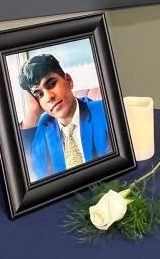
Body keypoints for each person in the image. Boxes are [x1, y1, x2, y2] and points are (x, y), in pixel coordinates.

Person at [18, 54, 111, 182]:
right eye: (39, 94)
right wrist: (33, 113)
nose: (48, 97)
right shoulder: (44, 127)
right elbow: (26, 167)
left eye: (51, 84)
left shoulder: (104, 111)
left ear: (69, 81)